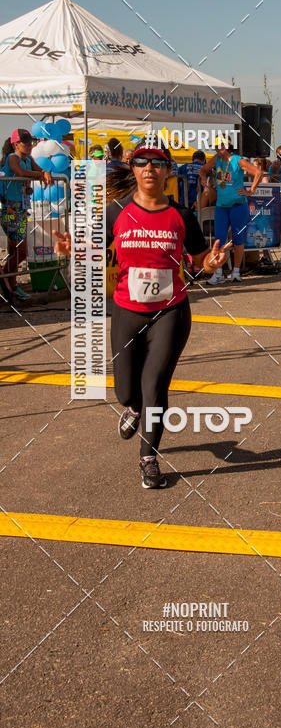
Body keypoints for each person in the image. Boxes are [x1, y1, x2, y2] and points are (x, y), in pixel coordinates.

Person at [54, 139, 231, 489]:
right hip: (126, 311)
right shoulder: (116, 211)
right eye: (142, 162)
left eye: (156, 162)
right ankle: (133, 408)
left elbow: (197, 261)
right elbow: (94, 251)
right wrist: (73, 250)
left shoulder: (181, 215)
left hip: (170, 313)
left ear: (167, 170)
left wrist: (210, 264)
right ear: (133, 169)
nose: (149, 168)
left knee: (155, 386)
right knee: (125, 392)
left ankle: (148, 458)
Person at [199, 138, 262, 284]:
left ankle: (236, 272)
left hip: (238, 205)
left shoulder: (238, 160)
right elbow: (203, 170)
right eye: (215, 147)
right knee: (219, 239)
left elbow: (258, 172)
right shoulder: (216, 159)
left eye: (219, 146)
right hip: (222, 206)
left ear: (227, 146)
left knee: (238, 239)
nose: (216, 149)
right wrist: (203, 179)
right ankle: (218, 272)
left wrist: (251, 191)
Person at [0, 129, 52, 302]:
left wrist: (44, 172)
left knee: (17, 250)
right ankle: (9, 284)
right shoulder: (13, 158)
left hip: (21, 209)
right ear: (16, 144)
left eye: (31, 142)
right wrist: (42, 174)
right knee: (19, 250)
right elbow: (21, 173)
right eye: (26, 142)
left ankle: (9, 285)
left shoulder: (28, 159)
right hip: (9, 209)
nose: (30, 145)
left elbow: (39, 169)